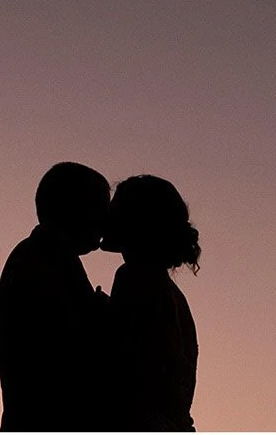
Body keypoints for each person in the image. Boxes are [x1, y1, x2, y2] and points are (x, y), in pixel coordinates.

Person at [0, 161, 112, 431]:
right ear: (73, 207)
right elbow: (70, 347)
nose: (105, 219)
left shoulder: (43, 255)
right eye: (99, 206)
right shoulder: (43, 258)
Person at [103, 175, 200, 432]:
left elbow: (125, 372)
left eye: (115, 207)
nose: (105, 213)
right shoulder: (173, 295)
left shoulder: (133, 277)